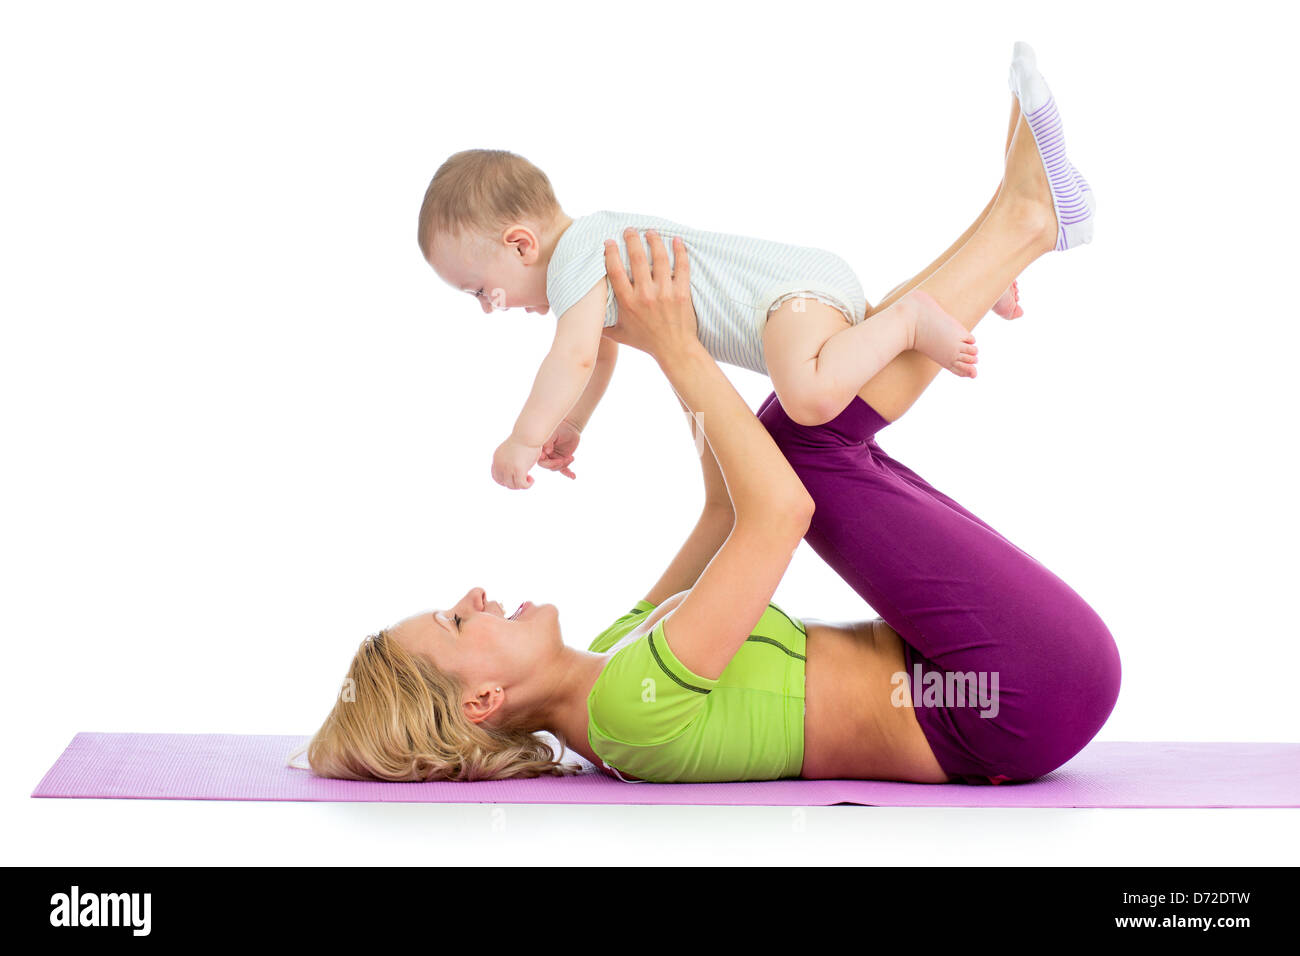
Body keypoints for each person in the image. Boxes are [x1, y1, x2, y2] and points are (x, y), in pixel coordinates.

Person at [294, 42, 1118, 785]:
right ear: (482, 701)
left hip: (985, 671)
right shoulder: (624, 711)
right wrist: (681, 346)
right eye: (454, 618)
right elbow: (780, 509)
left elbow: (731, 507)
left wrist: (664, 341)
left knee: (796, 430)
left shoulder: (620, 645)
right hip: (1010, 697)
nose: (471, 593)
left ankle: (1016, 222)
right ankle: (1021, 223)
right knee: (804, 444)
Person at [416, 45, 1077, 491]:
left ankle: (911, 319)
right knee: (852, 355)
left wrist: (522, 439)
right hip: (801, 295)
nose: (487, 307)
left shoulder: (575, 254)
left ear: (522, 244)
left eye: (479, 289)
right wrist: (573, 426)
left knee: (813, 397)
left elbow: (573, 361)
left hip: (786, 301)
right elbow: (602, 360)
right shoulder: (590, 263)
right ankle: (986, 269)